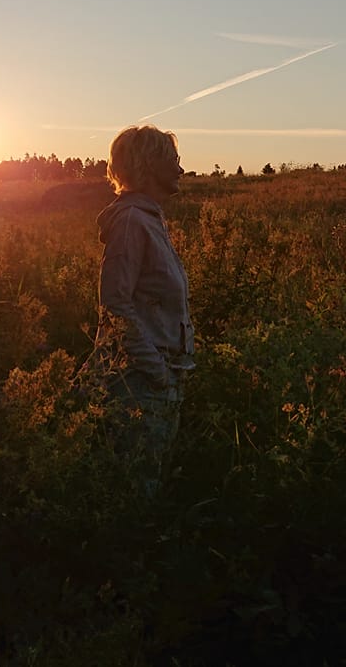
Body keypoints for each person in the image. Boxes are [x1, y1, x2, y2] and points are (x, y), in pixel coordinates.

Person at [92, 124, 194, 495]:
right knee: (135, 495)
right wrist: (156, 371)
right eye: (174, 160)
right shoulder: (132, 221)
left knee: (148, 487)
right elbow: (114, 304)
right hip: (139, 384)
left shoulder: (149, 219)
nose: (181, 170)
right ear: (149, 165)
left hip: (159, 379)